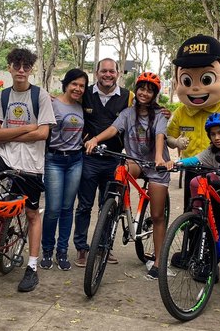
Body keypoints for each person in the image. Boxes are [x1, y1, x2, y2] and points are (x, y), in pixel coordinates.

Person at [0, 48, 55, 292]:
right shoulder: (1, 97)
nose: (21, 70)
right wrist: (28, 128)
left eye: (26, 66)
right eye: (17, 65)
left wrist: (9, 133)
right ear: (10, 68)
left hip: (31, 164)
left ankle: (32, 266)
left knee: (32, 214)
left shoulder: (40, 96)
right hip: (4, 157)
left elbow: (43, 133)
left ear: (31, 69)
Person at [84, 72, 171, 280]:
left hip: (156, 165)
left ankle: (158, 261)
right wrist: (95, 140)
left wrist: (159, 157)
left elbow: (160, 136)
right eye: (142, 88)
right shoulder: (127, 113)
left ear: (155, 94)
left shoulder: (160, 115)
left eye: (149, 91)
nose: (144, 93)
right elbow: (113, 129)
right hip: (136, 161)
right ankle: (119, 206)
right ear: (136, 90)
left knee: (157, 215)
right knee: (121, 170)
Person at [166, 34, 220, 213]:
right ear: (176, 84)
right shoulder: (181, 112)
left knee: (219, 213)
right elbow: (169, 137)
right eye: (187, 81)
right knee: (192, 212)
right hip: (192, 168)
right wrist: (176, 142)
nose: (196, 88)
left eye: (206, 79)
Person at [73, 58, 132, 268]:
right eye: (103, 71)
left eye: (111, 71)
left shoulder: (128, 97)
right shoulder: (85, 93)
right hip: (89, 159)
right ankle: (81, 247)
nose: (108, 75)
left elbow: (144, 112)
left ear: (118, 73)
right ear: (96, 73)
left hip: (114, 160)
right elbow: (67, 103)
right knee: (84, 206)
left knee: (108, 206)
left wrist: (162, 112)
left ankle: (103, 246)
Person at [40, 68, 87, 271]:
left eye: (82, 86)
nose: (78, 88)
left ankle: (62, 251)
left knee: (68, 208)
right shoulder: (52, 104)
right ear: (66, 84)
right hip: (54, 160)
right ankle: (47, 250)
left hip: (76, 160)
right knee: (53, 209)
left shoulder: (82, 106)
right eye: (74, 84)